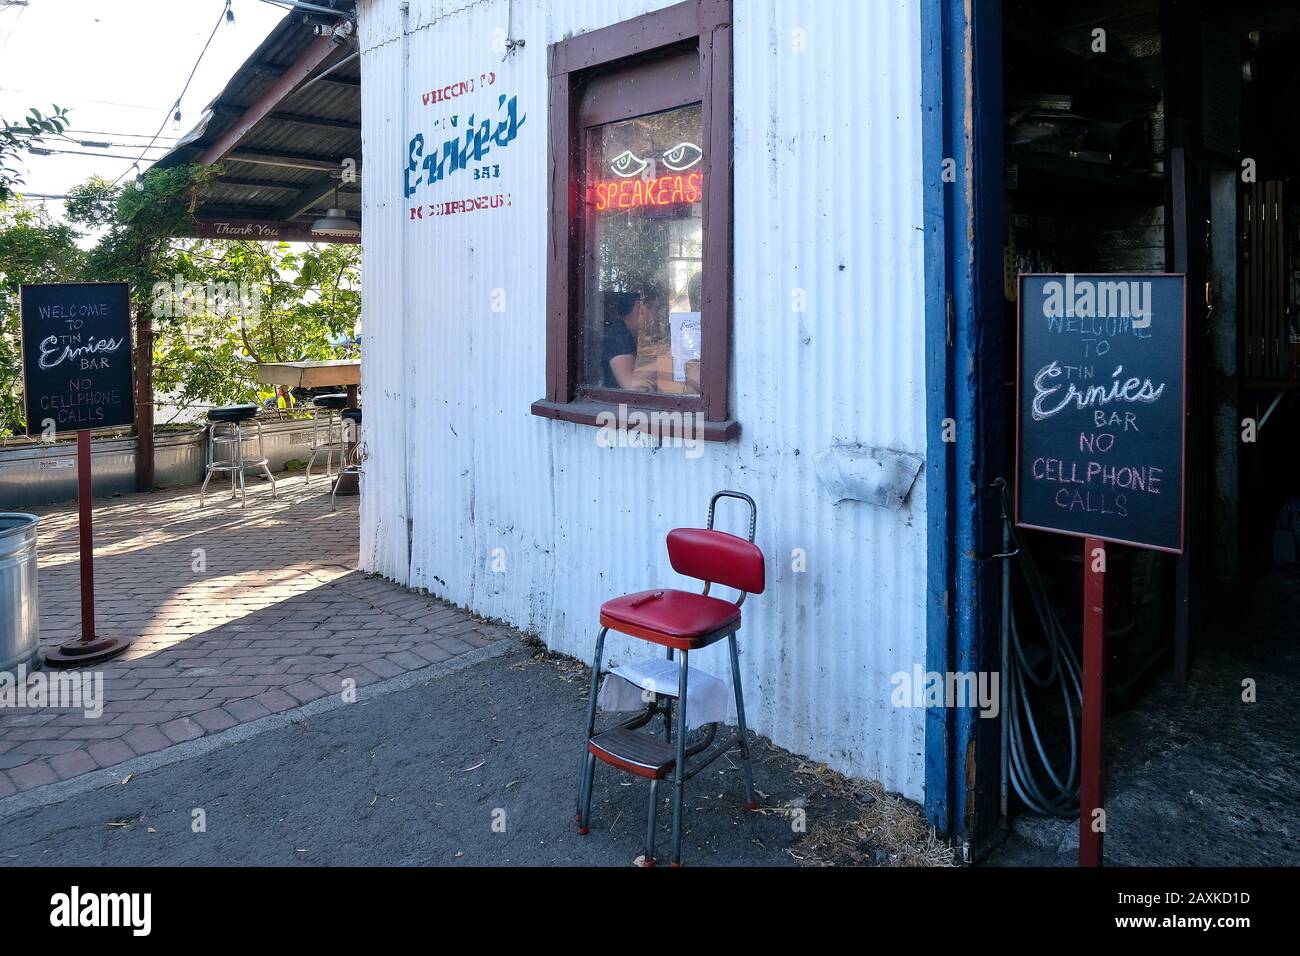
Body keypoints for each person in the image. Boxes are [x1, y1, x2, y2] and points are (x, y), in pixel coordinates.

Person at [601, 286, 663, 391]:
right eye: (653, 309)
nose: (655, 316)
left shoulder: (628, 333)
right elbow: (630, 385)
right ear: (640, 307)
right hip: (616, 405)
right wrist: (667, 361)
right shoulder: (617, 334)